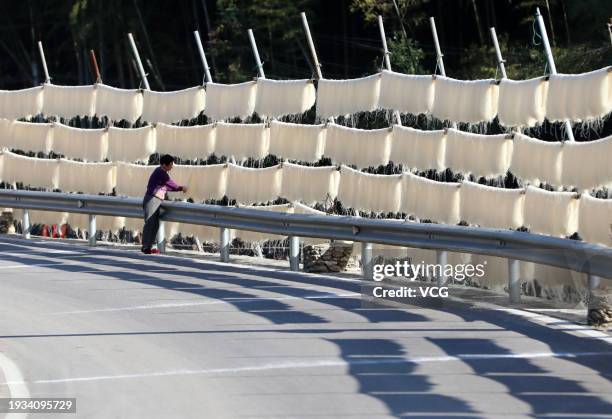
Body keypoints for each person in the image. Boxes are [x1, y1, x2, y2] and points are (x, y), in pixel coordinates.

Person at [141, 154, 187, 254]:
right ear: (165, 165)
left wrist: (178, 188)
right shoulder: (161, 172)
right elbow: (170, 184)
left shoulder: (161, 172)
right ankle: (145, 247)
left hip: (156, 200)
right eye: (171, 164)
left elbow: (168, 187)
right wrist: (181, 188)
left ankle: (149, 247)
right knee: (150, 223)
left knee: (155, 224)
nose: (172, 166)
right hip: (152, 200)